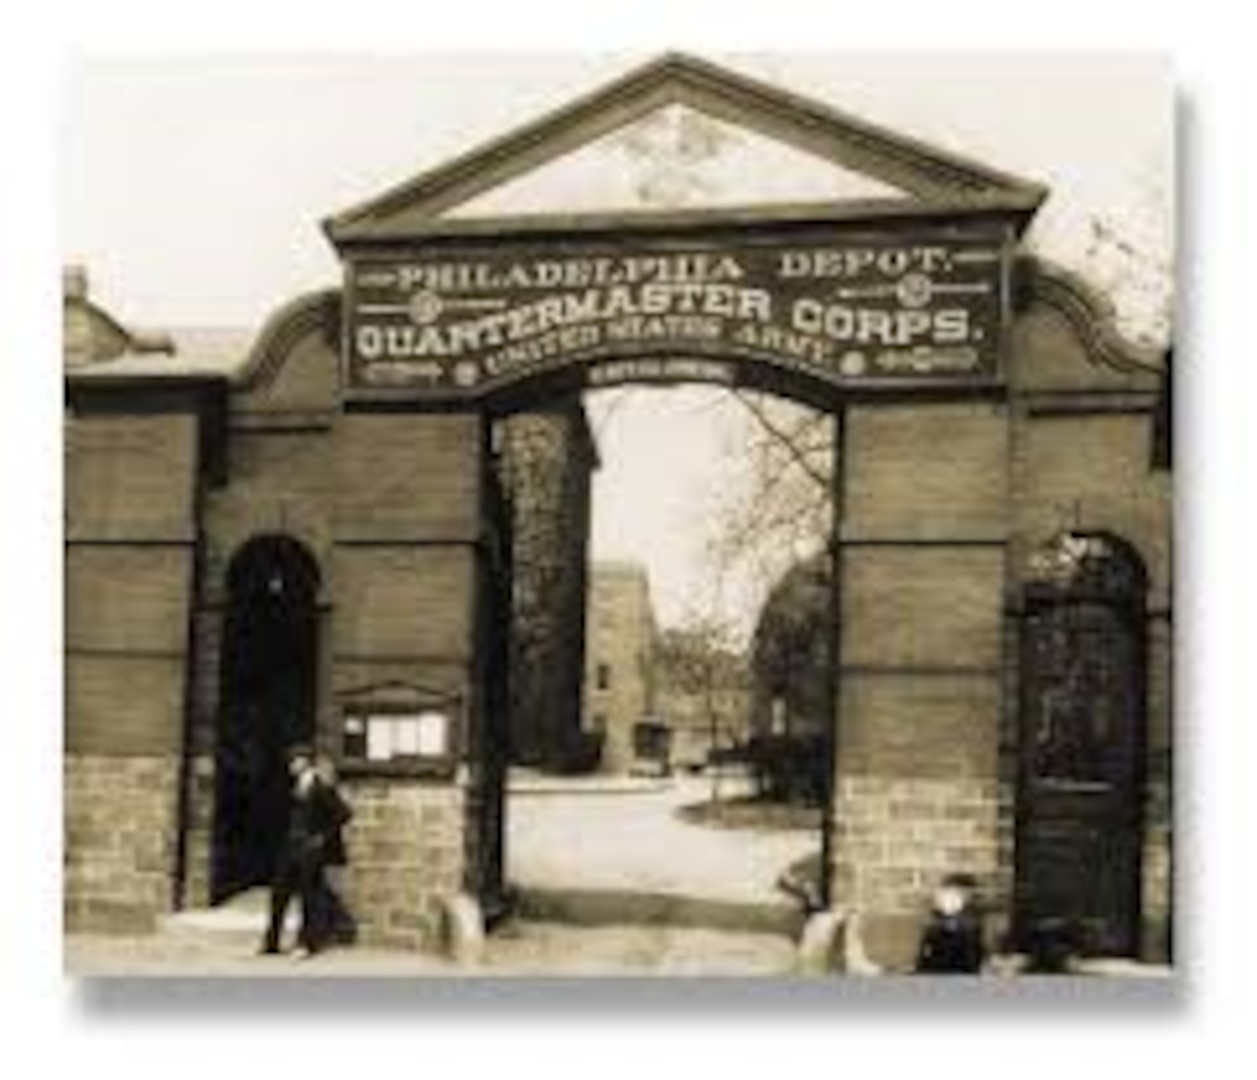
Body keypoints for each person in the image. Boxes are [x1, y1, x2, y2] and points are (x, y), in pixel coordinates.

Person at [259, 745, 353, 958]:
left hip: (309, 851)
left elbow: (343, 814)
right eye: (290, 761)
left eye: (294, 761)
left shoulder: (321, 786)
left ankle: (306, 943)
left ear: (305, 762)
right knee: (279, 893)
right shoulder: (292, 786)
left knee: (308, 897)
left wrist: (321, 838)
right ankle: (271, 942)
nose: (291, 765)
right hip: (290, 847)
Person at [914, 872, 986, 974]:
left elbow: (971, 961)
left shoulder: (970, 927)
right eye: (945, 895)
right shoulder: (934, 924)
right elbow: (923, 960)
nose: (946, 900)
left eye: (954, 897)